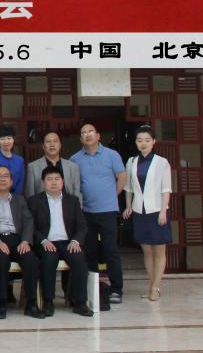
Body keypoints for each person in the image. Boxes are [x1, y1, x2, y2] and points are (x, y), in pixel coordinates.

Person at [70, 121, 127, 304]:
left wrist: (112, 195)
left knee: (111, 250)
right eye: (83, 132)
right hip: (86, 211)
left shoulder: (112, 155)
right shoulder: (75, 159)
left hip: (108, 210)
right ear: (81, 138)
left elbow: (122, 177)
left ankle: (116, 289)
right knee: (90, 251)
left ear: (98, 136)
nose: (87, 135)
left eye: (90, 131)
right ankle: (92, 288)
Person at [0, 165, 44, 319]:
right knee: (0, 260)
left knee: (31, 260)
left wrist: (26, 241)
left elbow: (28, 221)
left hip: (17, 240)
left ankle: (31, 304)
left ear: (12, 181)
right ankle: (1, 303)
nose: (3, 179)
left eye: (6, 176)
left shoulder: (19, 200)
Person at [27, 166, 94, 317]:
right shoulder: (34, 201)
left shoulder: (73, 200)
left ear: (63, 181)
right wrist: (43, 240)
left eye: (57, 179)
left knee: (79, 260)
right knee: (48, 260)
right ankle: (48, 301)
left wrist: (76, 241)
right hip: (47, 242)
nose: (54, 182)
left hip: (68, 242)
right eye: (49, 179)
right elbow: (30, 227)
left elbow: (82, 226)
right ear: (43, 182)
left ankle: (79, 302)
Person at [122, 125, 172, 302]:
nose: (143, 144)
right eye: (139, 140)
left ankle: (156, 287)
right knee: (147, 252)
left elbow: (166, 189)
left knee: (159, 251)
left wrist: (163, 211)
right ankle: (151, 286)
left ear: (154, 142)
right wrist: (128, 206)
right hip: (139, 210)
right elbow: (128, 188)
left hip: (157, 210)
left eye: (147, 140)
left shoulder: (162, 162)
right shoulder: (131, 162)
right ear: (135, 142)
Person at [25, 130, 81, 200]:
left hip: (68, 206)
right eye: (48, 141)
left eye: (55, 141)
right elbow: (30, 195)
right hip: (42, 206)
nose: (52, 144)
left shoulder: (72, 167)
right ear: (43, 146)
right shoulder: (33, 167)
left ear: (60, 145)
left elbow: (77, 193)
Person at [0, 125, 25, 196]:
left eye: (9, 138)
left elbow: (21, 183)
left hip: (15, 197)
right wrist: (1, 195)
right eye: (2, 139)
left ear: (13, 139)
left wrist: (15, 198)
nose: (6, 142)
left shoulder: (20, 160)